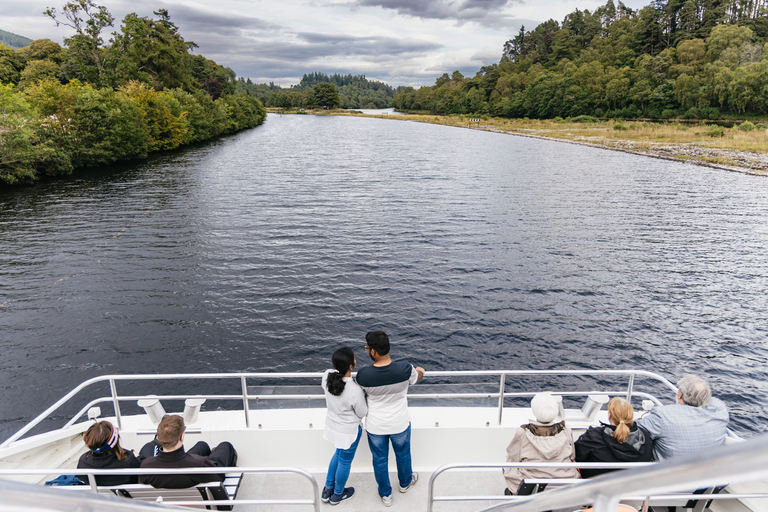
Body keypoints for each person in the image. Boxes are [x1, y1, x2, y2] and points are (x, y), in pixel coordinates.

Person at [356, 330, 425, 507]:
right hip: (399, 423)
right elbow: (416, 377)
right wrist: (420, 371)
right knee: (403, 454)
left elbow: (360, 395)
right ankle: (405, 483)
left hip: (376, 426)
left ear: (373, 352)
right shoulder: (405, 369)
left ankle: (386, 494)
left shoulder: (363, 376)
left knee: (379, 460)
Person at [637, 374, 729, 461]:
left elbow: (633, 430)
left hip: (666, 473)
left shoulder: (663, 416)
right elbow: (712, 401)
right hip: (704, 473)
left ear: (680, 396)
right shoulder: (720, 409)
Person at [504, 392, 580, 495]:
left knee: (508, 468)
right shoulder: (566, 430)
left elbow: (513, 457)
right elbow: (572, 456)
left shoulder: (523, 433)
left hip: (531, 486)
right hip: (563, 484)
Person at [321, 346, 368, 506]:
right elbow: (362, 413)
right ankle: (338, 494)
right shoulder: (355, 390)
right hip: (349, 432)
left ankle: (328, 489)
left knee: (338, 454)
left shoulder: (327, 376)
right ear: (351, 366)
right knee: (345, 461)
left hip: (332, 427)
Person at [139, 414, 237, 488]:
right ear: (181, 437)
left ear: (159, 438)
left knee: (202, 445)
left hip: (166, 502)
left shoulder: (146, 466)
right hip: (199, 502)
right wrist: (209, 462)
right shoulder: (200, 464)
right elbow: (219, 478)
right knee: (225, 446)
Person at [574, 397, 653, 478]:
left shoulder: (593, 436)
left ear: (610, 416)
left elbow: (576, 455)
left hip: (596, 485)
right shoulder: (645, 437)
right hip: (631, 486)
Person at [77, 420, 157, 485]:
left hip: (102, 500)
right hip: (128, 500)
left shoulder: (83, 462)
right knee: (151, 446)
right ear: (116, 440)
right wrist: (137, 457)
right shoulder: (129, 462)